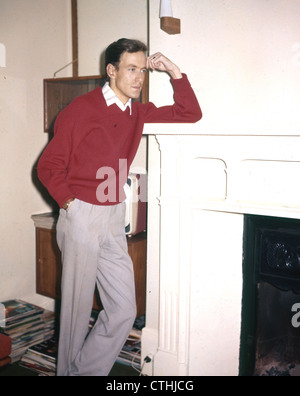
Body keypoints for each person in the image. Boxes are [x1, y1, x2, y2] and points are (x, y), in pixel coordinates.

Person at [37, 38, 202, 376]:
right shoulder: (81, 109)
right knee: (76, 313)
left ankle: (82, 372)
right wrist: (70, 203)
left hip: (114, 215)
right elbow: (48, 165)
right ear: (111, 71)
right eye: (131, 69)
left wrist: (173, 72)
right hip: (81, 213)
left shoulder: (137, 111)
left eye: (142, 70)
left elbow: (190, 114)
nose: (139, 77)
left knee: (125, 308)